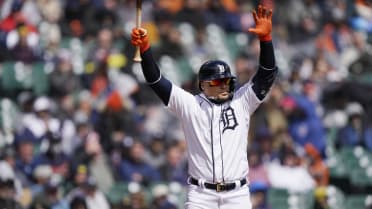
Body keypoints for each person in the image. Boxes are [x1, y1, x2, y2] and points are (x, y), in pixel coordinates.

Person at [131, 4, 278, 209]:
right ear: (203, 85)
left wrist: (266, 41)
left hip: (237, 194)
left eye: (226, 81)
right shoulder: (190, 105)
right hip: (201, 195)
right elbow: (157, 81)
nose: (224, 85)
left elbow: (267, 74)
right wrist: (146, 51)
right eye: (218, 82)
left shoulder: (241, 102)